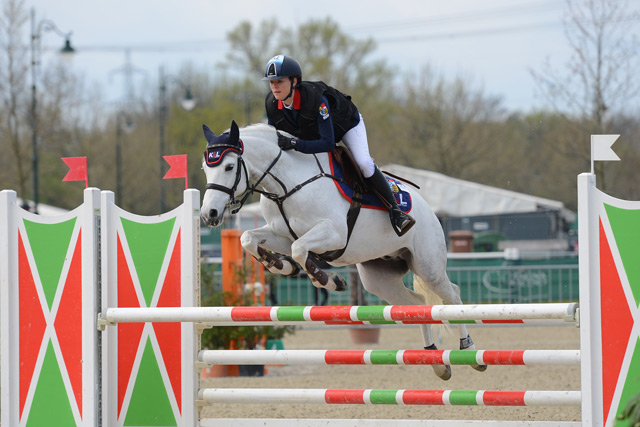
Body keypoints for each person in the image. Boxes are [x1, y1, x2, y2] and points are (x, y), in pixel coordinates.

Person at [262, 54, 415, 236]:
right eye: (272, 82)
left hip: (347, 125)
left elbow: (328, 143)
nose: (275, 87)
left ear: (295, 81)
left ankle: (396, 211)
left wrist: (295, 143)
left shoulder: (316, 100)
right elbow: (274, 139)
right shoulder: (271, 104)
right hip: (313, 133)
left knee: (364, 163)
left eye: (279, 81)